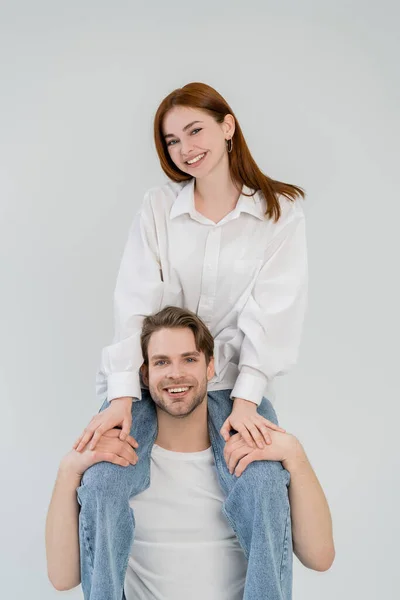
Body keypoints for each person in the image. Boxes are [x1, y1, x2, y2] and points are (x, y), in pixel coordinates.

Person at [73, 80, 308, 456]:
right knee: (102, 479)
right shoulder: (157, 207)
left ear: (227, 127)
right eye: (172, 141)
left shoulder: (277, 213)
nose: (185, 149)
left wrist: (247, 397)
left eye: (195, 130)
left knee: (263, 486)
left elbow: (276, 312)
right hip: (156, 383)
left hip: (233, 388)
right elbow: (134, 304)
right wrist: (122, 395)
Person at [46, 307, 335, 600]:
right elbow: (62, 578)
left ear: (210, 367)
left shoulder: (248, 468)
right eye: (162, 362)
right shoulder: (118, 468)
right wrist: (69, 469)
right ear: (144, 374)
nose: (176, 374)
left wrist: (295, 456)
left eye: (189, 359)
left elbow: (320, 557)